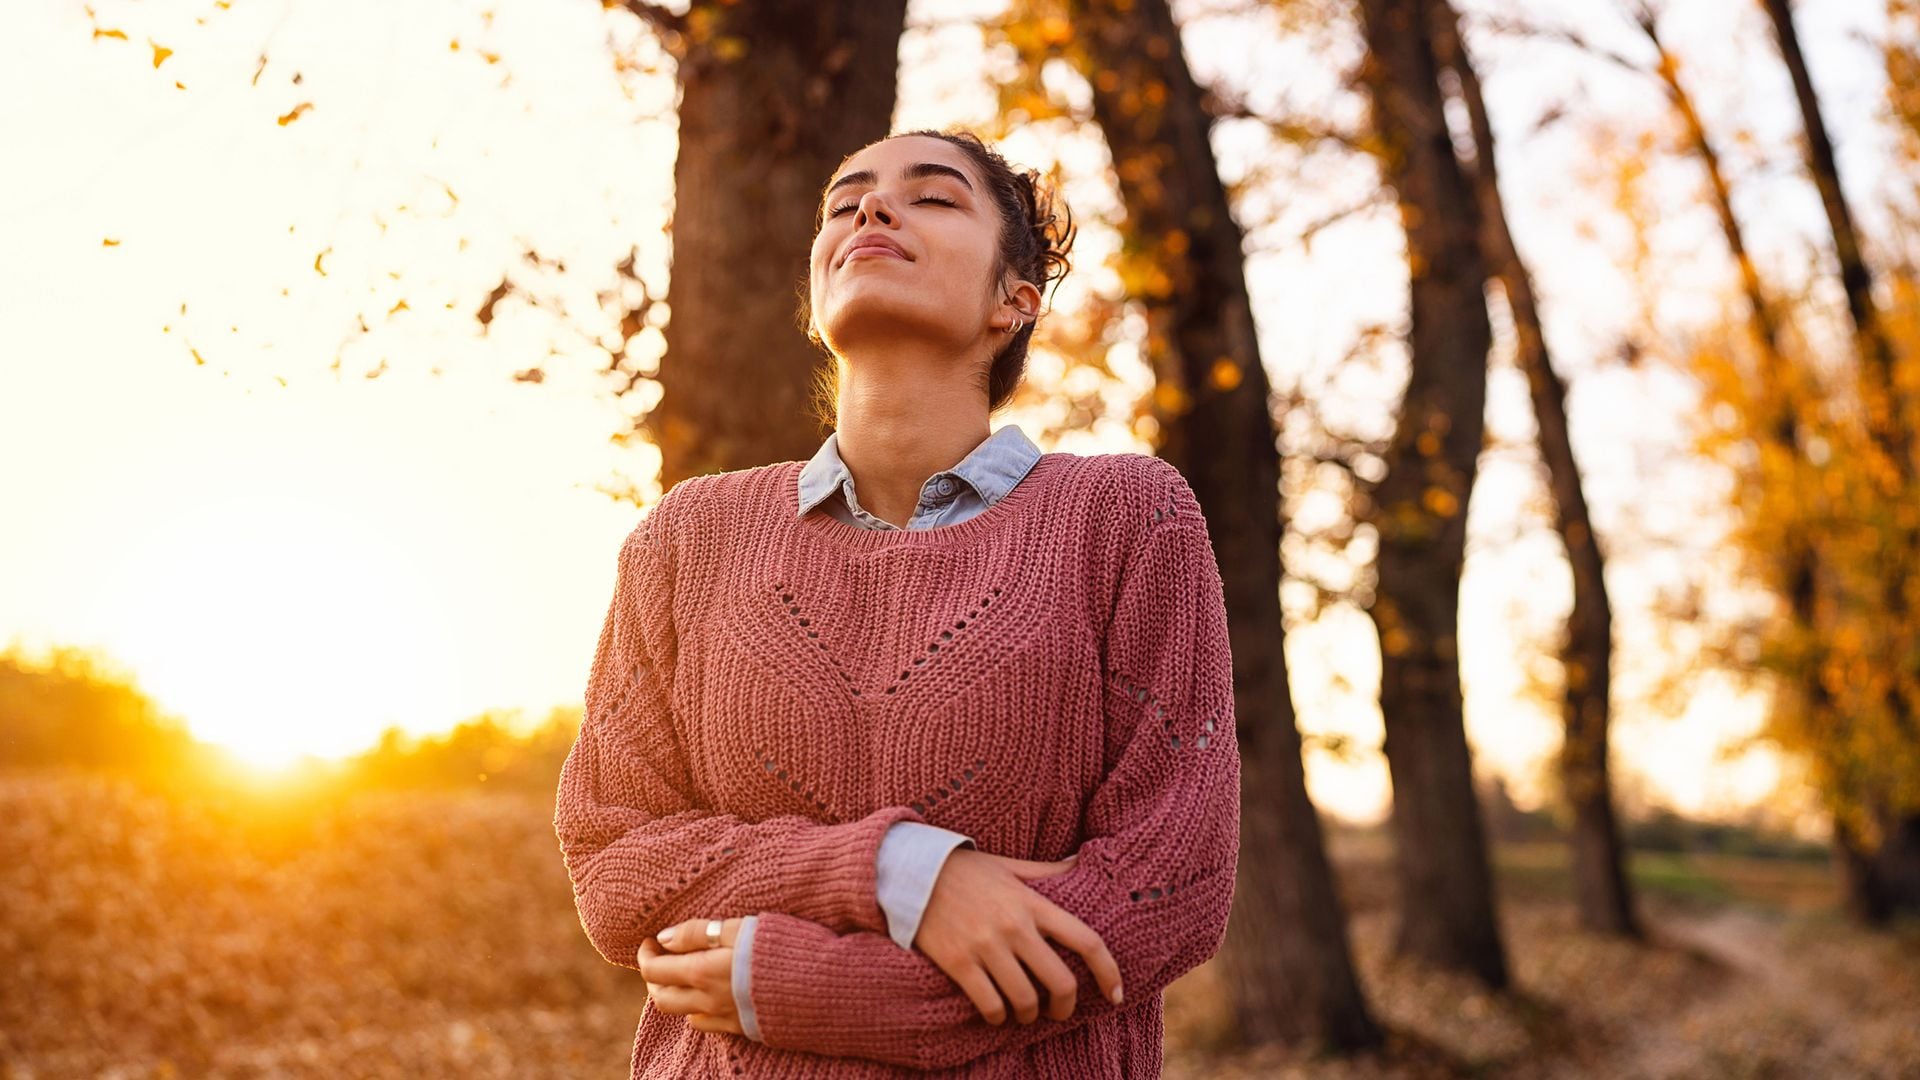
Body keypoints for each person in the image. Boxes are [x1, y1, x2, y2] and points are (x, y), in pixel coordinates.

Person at [553, 127, 1241, 1078]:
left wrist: (806, 987)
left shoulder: (1126, 518)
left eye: (933, 196)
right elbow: (619, 859)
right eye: (846, 201)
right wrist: (905, 873)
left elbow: (1169, 887)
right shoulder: (688, 537)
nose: (872, 209)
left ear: (1015, 299)